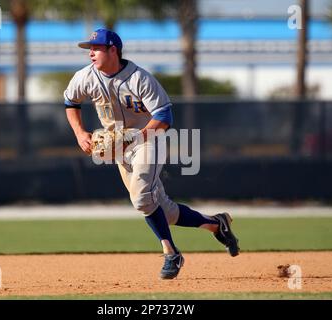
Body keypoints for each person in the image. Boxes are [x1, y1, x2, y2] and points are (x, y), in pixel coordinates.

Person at [64, 28, 239, 280]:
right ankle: (216, 224)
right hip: (118, 148)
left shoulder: (140, 78)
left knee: (142, 199)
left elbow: (164, 117)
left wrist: (136, 137)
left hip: (148, 139)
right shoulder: (85, 77)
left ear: (113, 50)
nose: (91, 52)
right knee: (161, 209)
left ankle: (171, 253)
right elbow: (71, 102)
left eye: (96, 48)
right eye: (89, 48)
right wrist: (80, 133)